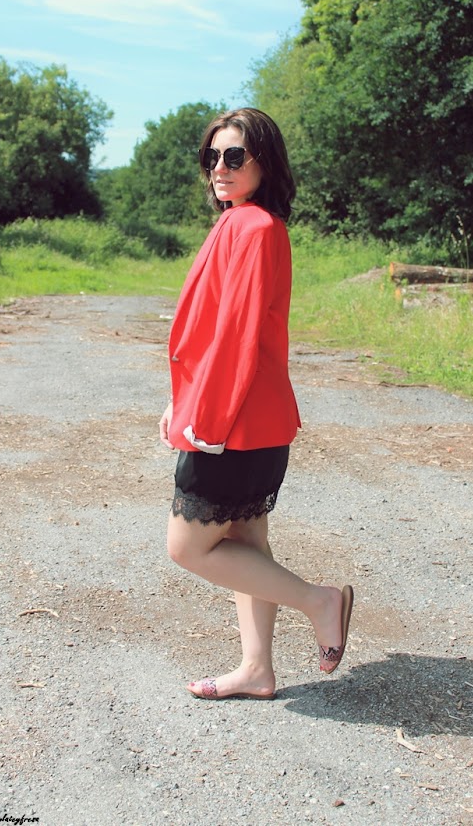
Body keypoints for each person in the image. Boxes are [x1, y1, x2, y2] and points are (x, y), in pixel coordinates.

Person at [159, 108, 353, 700]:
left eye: (234, 156)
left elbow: (236, 337)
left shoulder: (256, 228)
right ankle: (257, 669)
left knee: (187, 547)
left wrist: (203, 419)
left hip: (234, 423)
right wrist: (180, 400)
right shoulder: (238, 221)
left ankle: (320, 601)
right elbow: (213, 333)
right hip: (248, 419)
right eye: (211, 156)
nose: (219, 167)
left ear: (265, 163)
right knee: (245, 541)